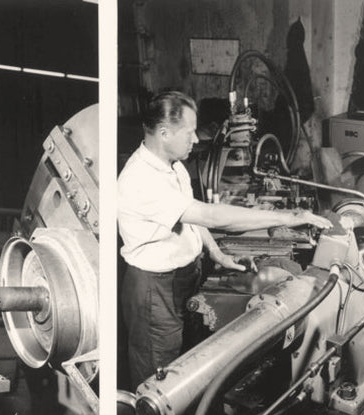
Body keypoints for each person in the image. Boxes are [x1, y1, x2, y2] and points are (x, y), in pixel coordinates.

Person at [117, 91, 332, 389]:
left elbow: (192, 220)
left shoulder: (174, 166)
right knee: (160, 382)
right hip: (155, 291)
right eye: (190, 132)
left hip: (182, 278)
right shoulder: (141, 179)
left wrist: (216, 253)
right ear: (164, 133)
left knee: (188, 365)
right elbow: (211, 216)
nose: (195, 140)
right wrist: (288, 217)